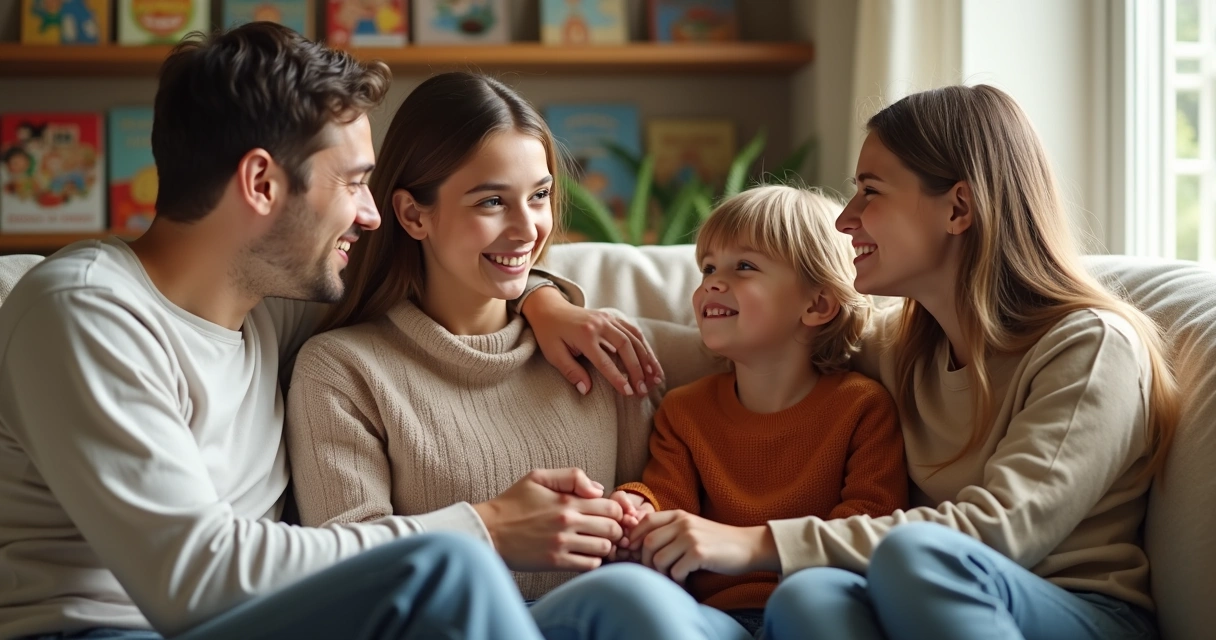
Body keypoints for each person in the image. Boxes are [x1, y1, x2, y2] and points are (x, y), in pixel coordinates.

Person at [0, 24, 652, 640]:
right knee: (450, 571)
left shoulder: (273, 300)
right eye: (355, 183)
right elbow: (192, 579)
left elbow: (451, 276)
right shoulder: (86, 312)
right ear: (261, 182)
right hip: (104, 626)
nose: (371, 216)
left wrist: (543, 301)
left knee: (608, 601)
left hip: (257, 622)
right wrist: (484, 527)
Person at [527, 85, 1178, 640]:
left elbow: (1003, 530)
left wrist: (755, 544)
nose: (846, 219)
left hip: (1072, 611)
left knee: (915, 557)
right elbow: (744, 344)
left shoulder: (1090, 346)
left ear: (958, 207)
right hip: (922, 597)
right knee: (824, 595)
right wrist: (541, 301)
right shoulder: (901, 345)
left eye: (870, 191)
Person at [285, 70, 750, 640]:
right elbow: (352, 577)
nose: (526, 228)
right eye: (490, 202)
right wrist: (496, 531)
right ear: (412, 215)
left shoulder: (595, 343)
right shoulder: (343, 370)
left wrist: (638, 523)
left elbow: (758, 360)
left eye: (538, 196)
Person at [609, 185, 907, 636]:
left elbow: (868, 525)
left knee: (810, 604)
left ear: (817, 304)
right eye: (708, 267)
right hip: (713, 618)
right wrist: (634, 507)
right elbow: (668, 500)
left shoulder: (862, 406)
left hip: (816, 608)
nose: (711, 281)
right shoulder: (684, 409)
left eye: (743, 266)